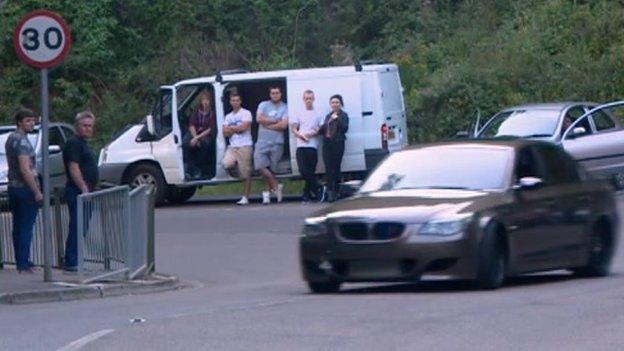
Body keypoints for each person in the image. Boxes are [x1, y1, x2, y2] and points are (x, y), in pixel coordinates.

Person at [6, 108, 42, 273]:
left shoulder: (10, 139)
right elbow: (25, 169)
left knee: (18, 225)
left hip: (13, 187)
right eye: (28, 120)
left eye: (33, 120)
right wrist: (36, 191)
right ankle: (23, 263)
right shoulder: (21, 141)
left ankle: (21, 258)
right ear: (19, 122)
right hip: (24, 188)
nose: (32, 123)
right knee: (26, 226)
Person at [62, 111, 98, 272]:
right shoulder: (74, 143)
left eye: (90, 126)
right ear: (77, 126)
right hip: (78, 192)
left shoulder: (83, 143)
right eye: (85, 126)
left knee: (81, 226)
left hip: (85, 191)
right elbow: (73, 167)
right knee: (78, 226)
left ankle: (74, 258)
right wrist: (83, 188)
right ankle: (71, 261)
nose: (88, 129)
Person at [254, 86, 288, 204]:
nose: (275, 95)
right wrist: (275, 121)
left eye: (277, 93)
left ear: (281, 94)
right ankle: (276, 187)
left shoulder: (285, 107)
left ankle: (267, 195)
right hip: (262, 142)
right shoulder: (263, 105)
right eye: (272, 93)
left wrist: (267, 125)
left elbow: (284, 125)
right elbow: (259, 118)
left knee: (271, 170)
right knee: (260, 166)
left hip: (277, 142)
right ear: (269, 94)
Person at [291, 90, 324, 202]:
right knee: (303, 170)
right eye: (306, 98)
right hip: (301, 145)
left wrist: (312, 133)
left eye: (310, 98)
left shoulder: (318, 113)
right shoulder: (298, 112)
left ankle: (306, 194)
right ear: (303, 99)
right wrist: (299, 135)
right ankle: (318, 187)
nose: (308, 100)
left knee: (310, 171)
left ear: (313, 99)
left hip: (312, 146)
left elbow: (321, 129)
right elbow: (294, 128)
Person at [222, 93, 253, 205]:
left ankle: (245, 197)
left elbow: (244, 128)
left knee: (246, 174)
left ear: (240, 102)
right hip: (232, 147)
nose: (235, 102)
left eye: (237, 100)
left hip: (245, 146)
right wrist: (236, 129)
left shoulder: (246, 113)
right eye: (233, 100)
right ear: (230, 102)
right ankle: (238, 168)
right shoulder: (228, 116)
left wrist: (231, 128)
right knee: (226, 164)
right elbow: (225, 133)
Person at [319, 94, 349, 202]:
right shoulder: (328, 115)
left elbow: (345, 128)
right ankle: (330, 192)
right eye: (333, 102)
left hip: (338, 143)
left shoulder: (344, 115)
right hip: (327, 144)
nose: (335, 104)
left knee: (336, 168)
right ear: (330, 104)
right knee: (328, 168)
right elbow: (324, 129)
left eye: (337, 102)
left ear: (340, 104)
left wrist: (337, 120)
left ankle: (336, 192)